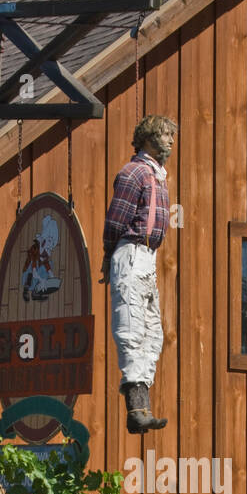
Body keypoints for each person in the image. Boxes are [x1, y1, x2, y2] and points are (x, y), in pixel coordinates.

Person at [101, 115, 177, 433]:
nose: (170, 140)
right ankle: (135, 406)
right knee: (131, 328)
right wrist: (108, 255)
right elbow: (116, 220)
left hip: (148, 257)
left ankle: (141, 409)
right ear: (146, 138)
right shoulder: (134, 173)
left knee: (152, 333)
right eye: (164, 134)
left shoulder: (158, 177)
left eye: (172, 135)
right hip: (131, 252)